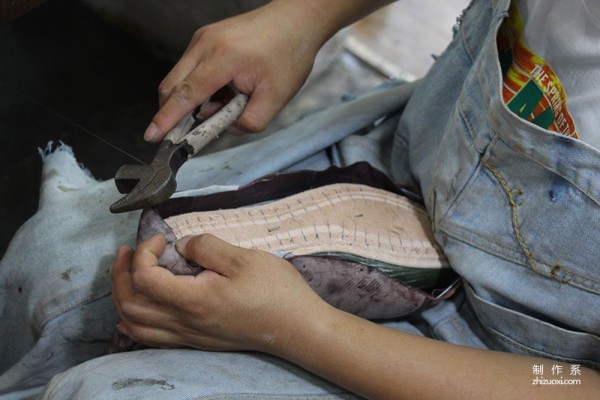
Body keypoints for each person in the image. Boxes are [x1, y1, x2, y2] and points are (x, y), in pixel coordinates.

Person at [1, 0, 599, 398]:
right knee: (54, 262)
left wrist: (299, 330)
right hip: (401, 163)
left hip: (506, 364)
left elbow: (571, 387)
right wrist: (304, 17)